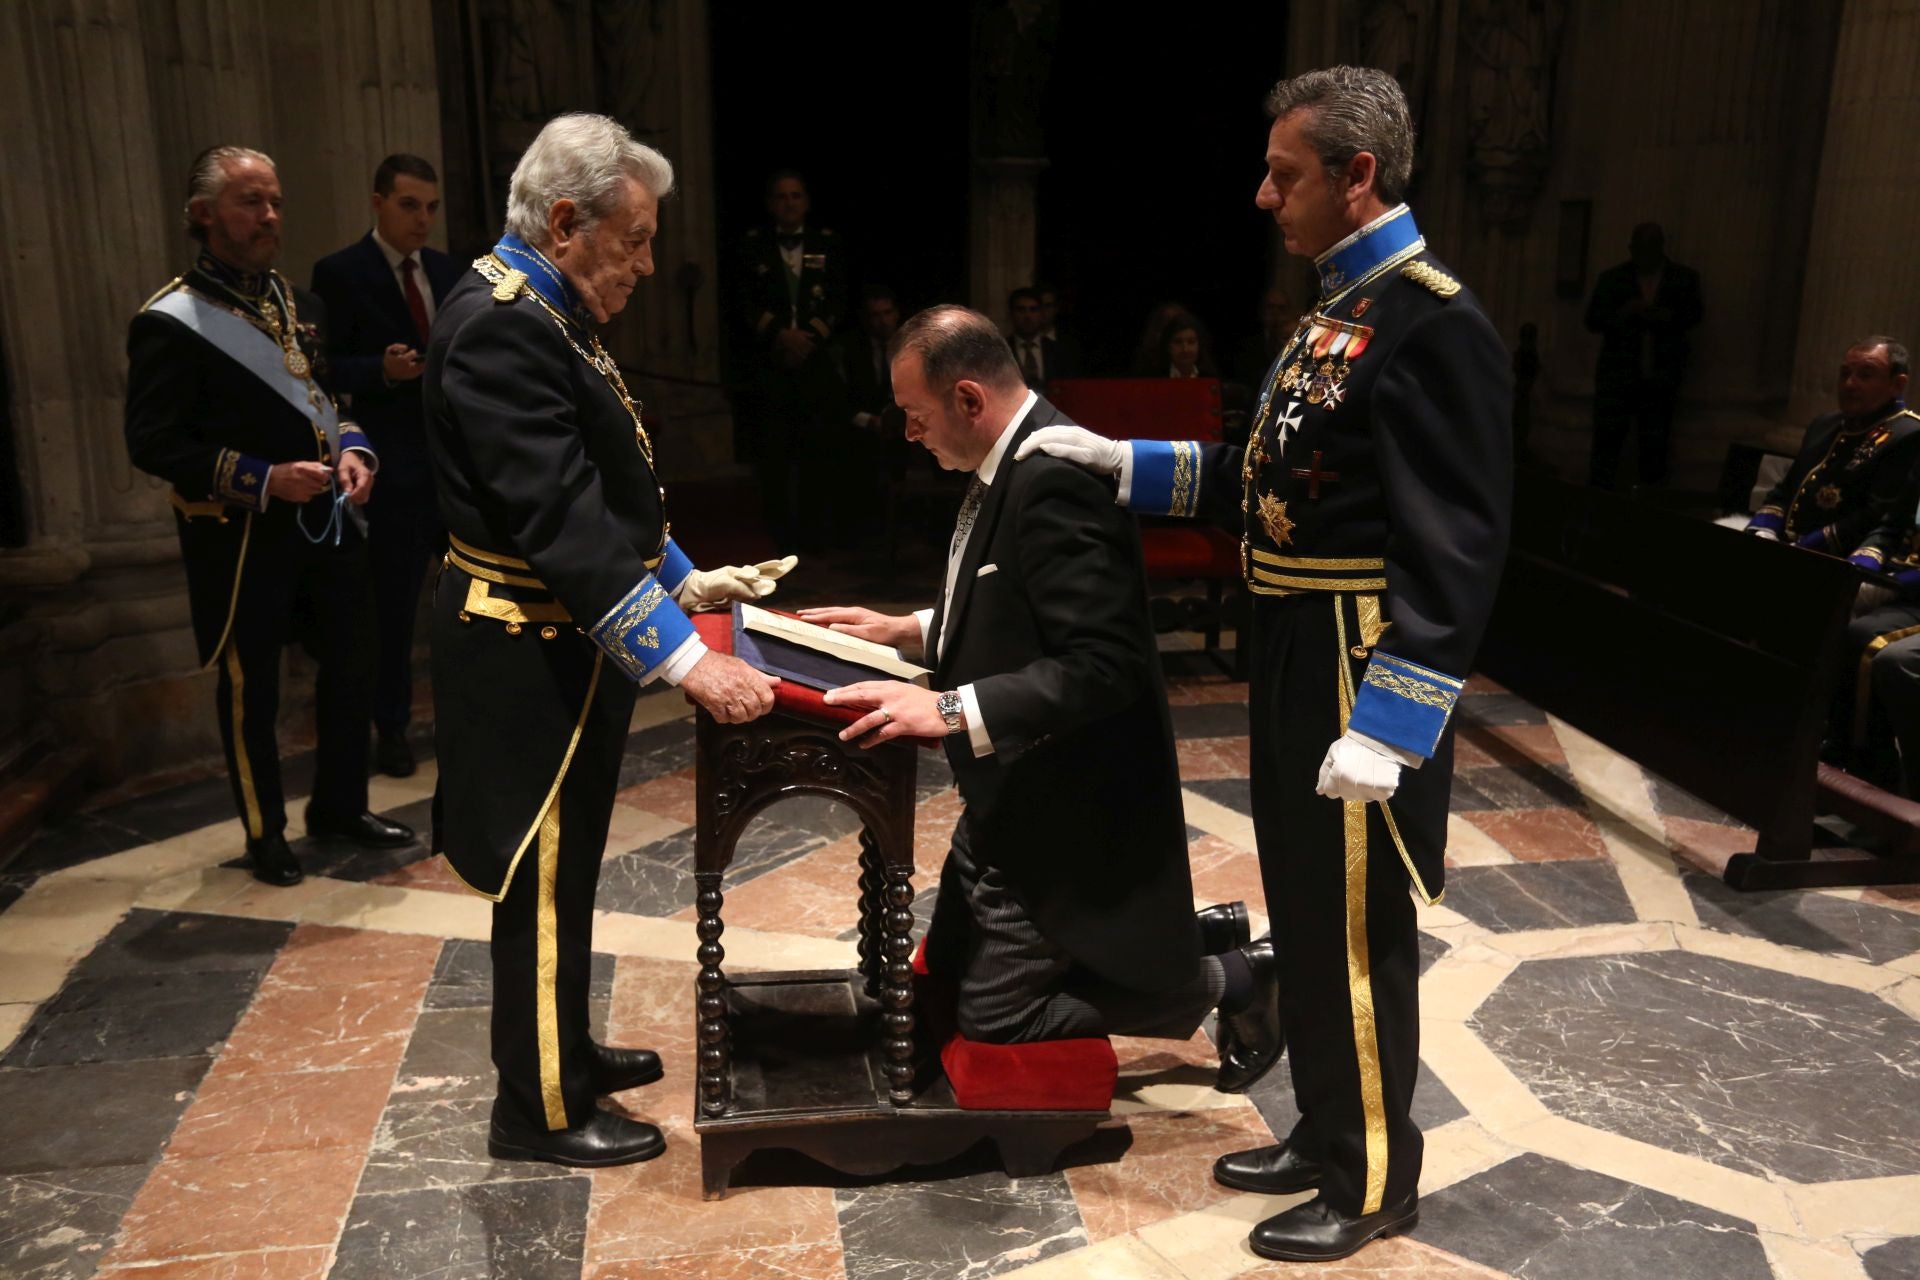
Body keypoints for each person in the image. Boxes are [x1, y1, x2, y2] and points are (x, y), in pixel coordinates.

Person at [1019, 66, 1512, 1262]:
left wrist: (1395, 722)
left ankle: (1375, 1175)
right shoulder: (1338, 310)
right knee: (1301, 904)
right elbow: (1257, 476)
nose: (1261, 195)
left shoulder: (1431, 320)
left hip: (1355, 659)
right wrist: (1118, 462)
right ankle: (1324, 1129)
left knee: (1354, 929)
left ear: (1358, 177)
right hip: (1293, 644)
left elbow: (1457, 549)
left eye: (1285, 174)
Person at [424, 113, 792, 1169]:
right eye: (631, 240)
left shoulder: (545, 309)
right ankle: (535, 1107)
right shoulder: (500, 322)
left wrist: (686, 577)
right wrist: (687, 656)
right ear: (565, 219)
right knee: (538, 873)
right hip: (521, 650)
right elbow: (558, 522)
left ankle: (564, 1051)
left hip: (564, 643)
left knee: (570, 862)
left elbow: (604, 493)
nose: (642, 265)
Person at [798, 305, 1278, 1066]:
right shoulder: (1011, 455)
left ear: (967, 400)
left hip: (1069, 812)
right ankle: (1201, 937)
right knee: (946, 972)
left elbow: (1104, 663)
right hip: (1013, 794)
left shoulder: (1053, 480)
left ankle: (1238, 977)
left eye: (917, 416)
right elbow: (1017, 605)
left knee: (994, 1015)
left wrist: (948, 707)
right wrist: (914, 630)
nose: (911, 435)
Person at [125, 146, 415, 889]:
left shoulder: (300, 304)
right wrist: (261, 478)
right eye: (252, 202)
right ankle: (265, 833)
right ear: (204, 215)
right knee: (253, 689)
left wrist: (355, 454)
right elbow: (152, 441)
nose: (270, 217)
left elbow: (331, 404)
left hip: (325, 523)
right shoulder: (172, 321)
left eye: (276, 201)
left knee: (356, 664)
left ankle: (341, 808)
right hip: (241, 536)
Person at [310, 154, 462, 778]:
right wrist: (381, 369)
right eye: (408, 205)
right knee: (394, 612)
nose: (422, 220)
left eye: (430, 207)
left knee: (468, 602)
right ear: (378, 202)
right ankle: (392, 728)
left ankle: (471, 720)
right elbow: (318, 372)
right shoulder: (340, 273)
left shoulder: (450, 272)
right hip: (389, 470)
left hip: (452, 467)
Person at [729, 169, 849, 547]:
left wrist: (809, 337)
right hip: (770, 363)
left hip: (816, 362)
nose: (789, 203)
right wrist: (780, 334)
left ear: (806, 202)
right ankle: (779, 538)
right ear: (770, 204)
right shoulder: (752, 246)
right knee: (775, 457)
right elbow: (741, 300)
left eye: (796, 196)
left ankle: (816, 537)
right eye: (781, 197)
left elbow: (840, 297)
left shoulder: (827, 243)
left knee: (817, 452)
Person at [1744, 338, 1920, 559]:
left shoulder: (1909, 434)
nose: (1849, 384)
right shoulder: (1824, 425)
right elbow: (1786, 489)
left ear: (1898, 385)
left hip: (1840, 559)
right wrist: (1764, 529)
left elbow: (1875, 516)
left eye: (1865, 375)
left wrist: (1802, 548)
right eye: (1845, 373)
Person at [1584, 221, 1704, 489]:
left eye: (1650, 247)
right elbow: (1592, 319)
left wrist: (1667, 318)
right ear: (1632, 248)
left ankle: (1649, 498)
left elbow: (1694, 315)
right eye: (1640, 247)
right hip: (1619, 375)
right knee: (1607, 444)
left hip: (1660, 374)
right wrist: (1624, 314)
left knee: (1655, 446)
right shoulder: (1613, 279)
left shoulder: (1682, 279)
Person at [1007, 286, 1080, 390]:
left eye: (1033, 310)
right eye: (1021, 310)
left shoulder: (1059, 351)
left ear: (1041, 314)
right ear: (1011, 314)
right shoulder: (1001, 350)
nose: (1027, 315)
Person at [1230, 286, 1302, 386]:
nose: (1275, 312)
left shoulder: (1297, 342)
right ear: (1262, 310)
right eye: (1270, 307)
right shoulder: (1247, 345)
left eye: (1281, 308)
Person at [1142, 310, 1220, 379]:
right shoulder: (1155, 378)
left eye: (1191, 342)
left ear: (1199, 345)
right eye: (1178, 342)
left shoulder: (1209, 379)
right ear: (1168, 346)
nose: (1185, 349)